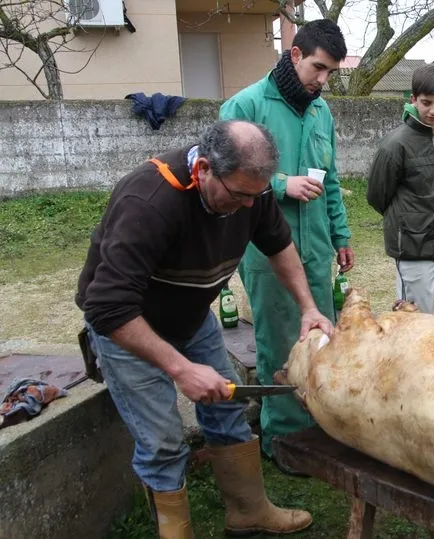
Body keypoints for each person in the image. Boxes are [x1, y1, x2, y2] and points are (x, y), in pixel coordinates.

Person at [75, 120, 333, 537]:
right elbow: (108, 306)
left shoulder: (251, 189)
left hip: (191, 318)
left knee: (228, 409)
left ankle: (248, 511)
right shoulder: (149, 201)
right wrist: (181, 369)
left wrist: (308, 307)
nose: (251, 206)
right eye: (241, 195)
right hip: (127, 327)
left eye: (257, 195)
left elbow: (278, 243)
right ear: (203, 171)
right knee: (162, 440)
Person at [218, 19, 353, 461]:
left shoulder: (321, 111)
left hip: (314, 246)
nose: (323, 80)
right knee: (279, 342)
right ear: (294, 54)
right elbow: (224, 173)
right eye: (318, 68)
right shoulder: (246, 105)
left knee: (320, 338)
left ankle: (319, 427)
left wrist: (341, 234)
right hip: (264, 250)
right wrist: (280, 184)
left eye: (331, 72)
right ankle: (284, 442)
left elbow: (329, 178)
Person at [366, 64, 434, 326]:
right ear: (413, 100)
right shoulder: (395, 144)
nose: (433, 110)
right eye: (426, 103)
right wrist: (409, 220)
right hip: (413, 248)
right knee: (416, 325)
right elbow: (377, 196)